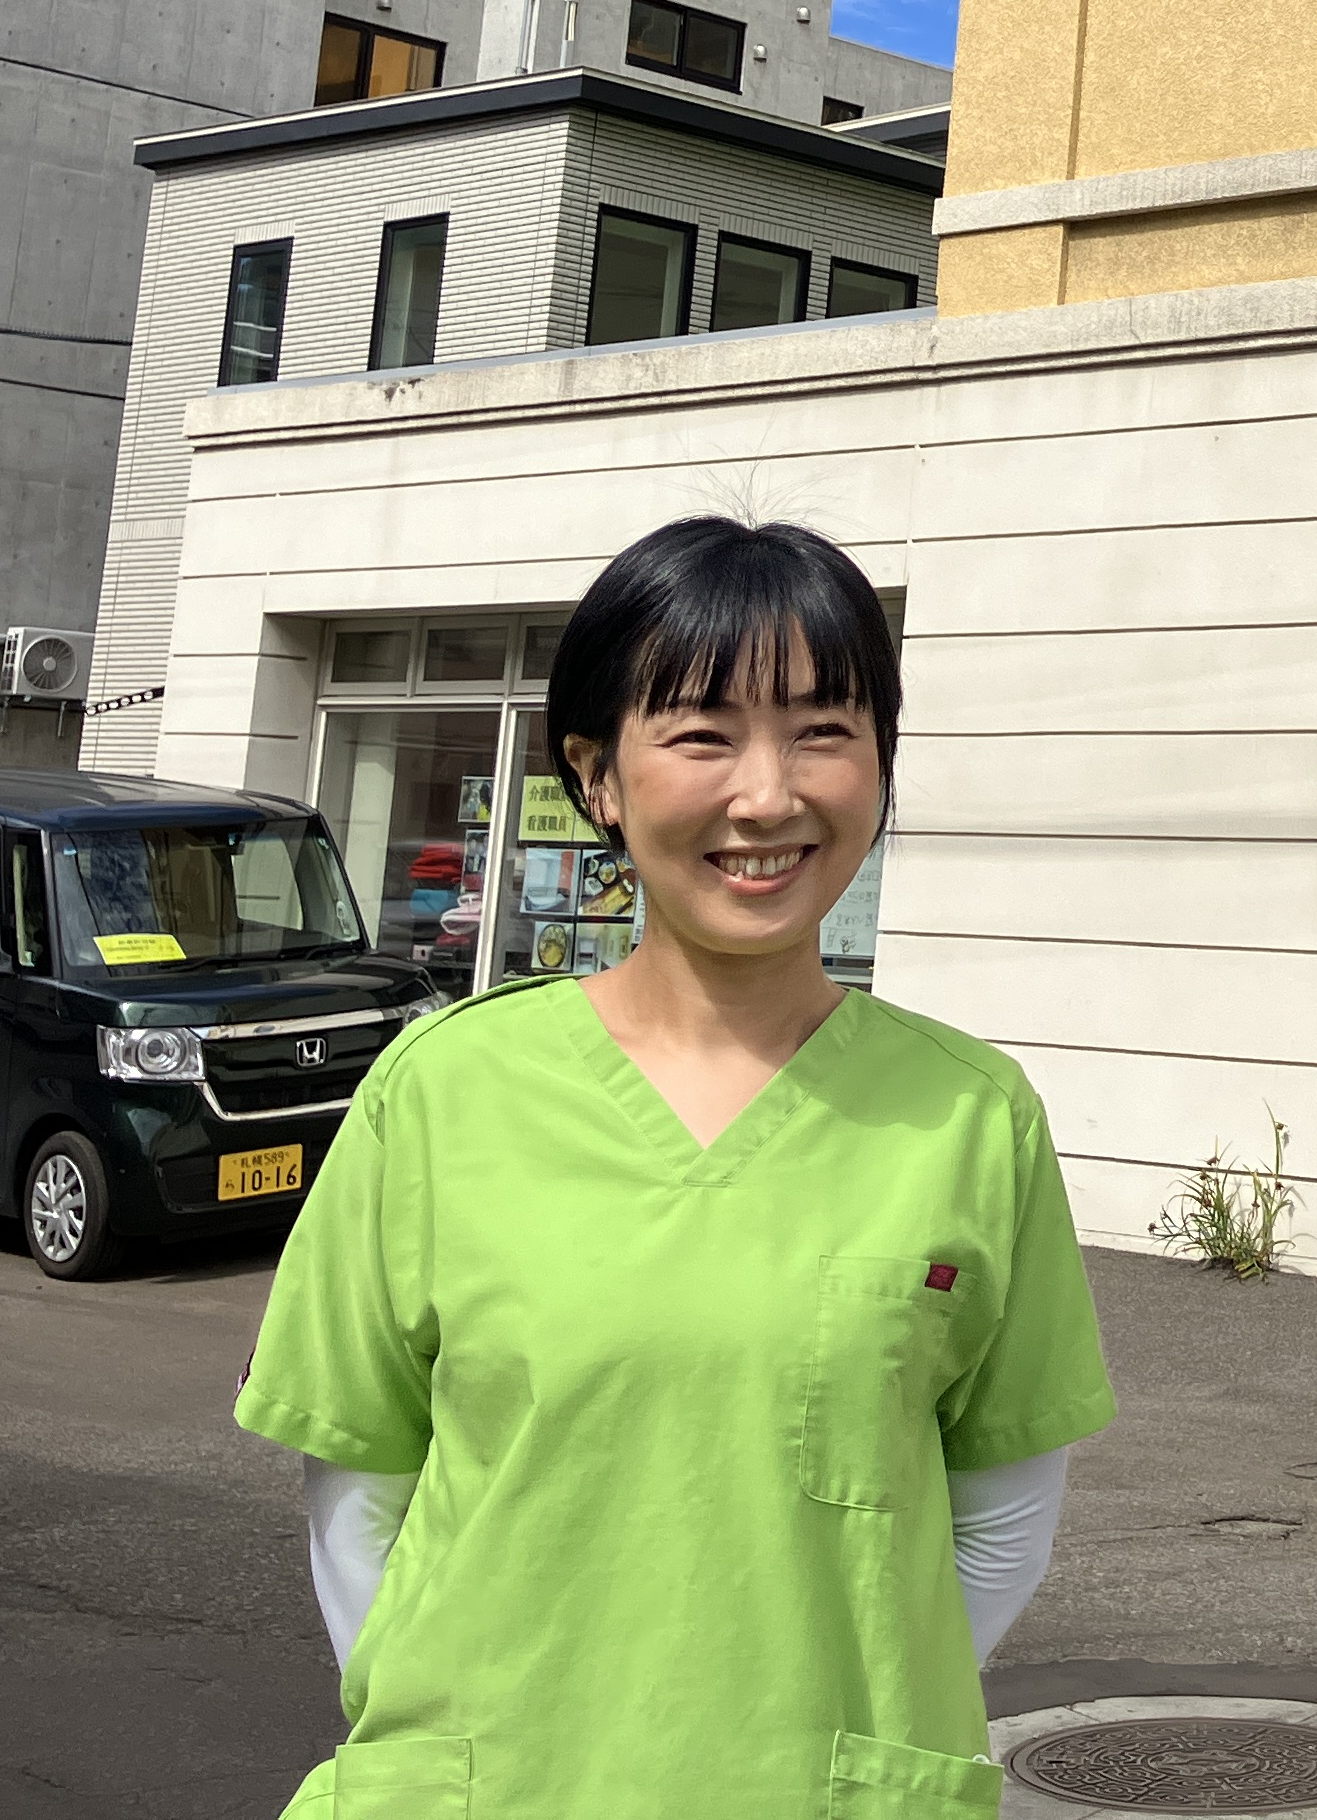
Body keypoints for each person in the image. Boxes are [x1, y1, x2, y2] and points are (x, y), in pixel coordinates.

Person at [238, 516, 1112, 1817]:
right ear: (597, 776)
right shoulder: (444, 1094)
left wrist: (833, 1718)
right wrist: (458, 1741)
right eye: (703, 735)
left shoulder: (970, 1119)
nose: (768, 795)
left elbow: (1000, 1524)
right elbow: (359, 1500)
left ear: (880, 764)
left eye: (824, 730)